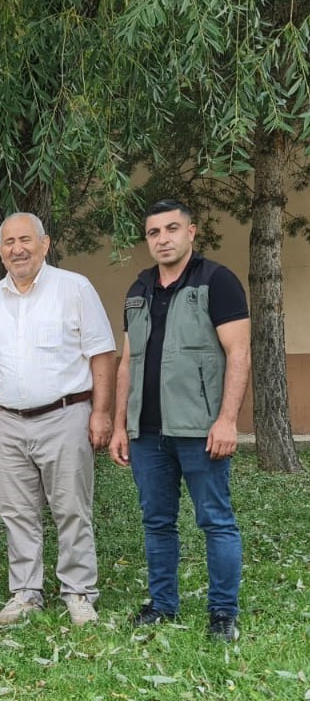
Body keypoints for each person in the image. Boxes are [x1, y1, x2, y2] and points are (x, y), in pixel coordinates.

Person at [108, 200, 249, 642]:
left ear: (192, 232)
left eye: (172, 228)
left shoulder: (217, 281)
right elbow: (127, 363)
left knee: (216, 521)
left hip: (200, 429)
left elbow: (238, 353)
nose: (163, 238)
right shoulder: (138, 289)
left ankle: (223, 612)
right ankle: (163, 605)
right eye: (154, 232)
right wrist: (118, 426)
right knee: (157, 522)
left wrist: (227, 420)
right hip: (147, 433)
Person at [0, 212, 115, 627]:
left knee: (70, 507)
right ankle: (25, 592)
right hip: (10, 422)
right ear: (0, 251)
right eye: (8, 242)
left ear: (44, 243)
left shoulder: (74, 288)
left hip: (65, 415)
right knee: (16, 511)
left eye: (25, 240)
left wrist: (101, 413)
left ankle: (78, 592)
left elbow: (101, 353)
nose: (17, 249)